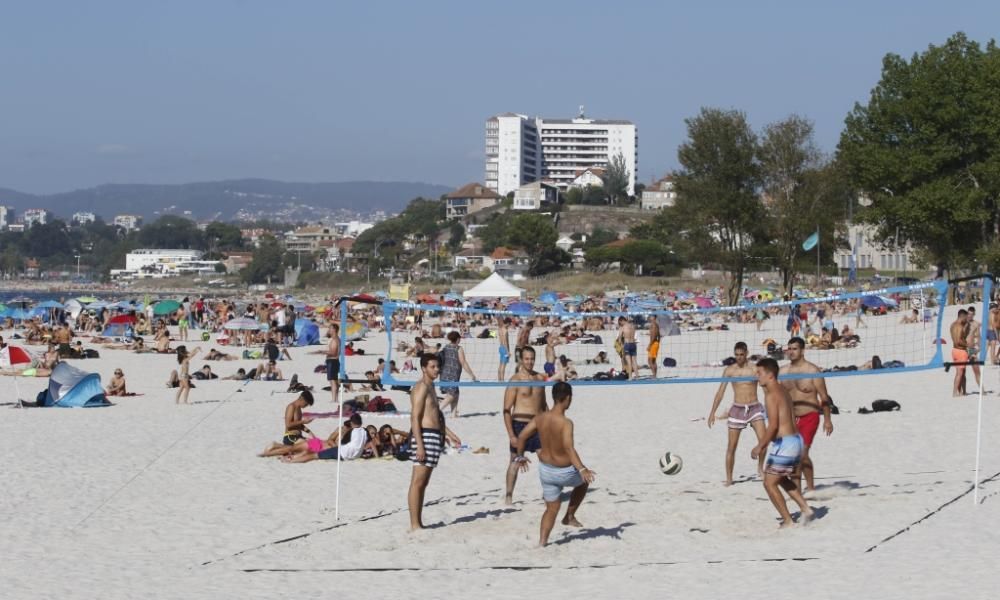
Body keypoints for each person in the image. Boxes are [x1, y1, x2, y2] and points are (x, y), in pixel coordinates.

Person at [514, 382, 595, 547]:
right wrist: (582, 469)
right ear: (568, 399)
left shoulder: (540, 418)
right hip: (564, 472)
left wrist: (519, 456)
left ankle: (542, 542)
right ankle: (569, 516)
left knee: (551, 509)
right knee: (584, 482)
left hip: (545, 470)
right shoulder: (566, 422)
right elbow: (568, 448)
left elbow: (521, 437)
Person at [751, 358, 813, 528]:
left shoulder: (771, 395)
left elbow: (773, 426)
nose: (757, 377)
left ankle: (787, 520)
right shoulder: (782, 390)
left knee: (769, 483)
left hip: (786, 444)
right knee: (781, 478)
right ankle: (805, 508)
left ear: (770, 375)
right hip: (794, 440)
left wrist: (760, 446)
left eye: (760, 373)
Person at [707, 342, 766, 485]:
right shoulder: (730, 370)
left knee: (763, 442)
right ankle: (729, 478)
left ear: (746, 353)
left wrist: (772, 407)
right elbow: (720, 392)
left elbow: (766, 388)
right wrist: (712, 412)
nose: (739, 357)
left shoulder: (755, 369)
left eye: (741, 354)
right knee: (731, 447)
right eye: (736, 355)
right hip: (738, 409)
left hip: (754, 408)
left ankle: (760, 468)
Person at [780, 337, 833, 492]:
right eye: (789, 348)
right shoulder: (782, 372)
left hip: (810, 415)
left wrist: (828, 420)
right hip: (790, 418)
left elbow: (824, 397)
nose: (791, 352)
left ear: (802, 350)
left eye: (794, 348)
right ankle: (797, 491)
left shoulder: (812, 371)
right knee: (793, 457)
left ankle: (810, 488)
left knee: (801, 454)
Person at [503, 346, 547, 504]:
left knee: (546, 460)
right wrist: (511, 435)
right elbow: (506, 410)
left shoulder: (540, 379)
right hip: (519, 424)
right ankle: (508, 496)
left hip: (537, 425)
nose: (530, 362)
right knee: (514, 461)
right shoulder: (515, 380)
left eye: (532, 359)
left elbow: (544, 405)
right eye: (527, 359)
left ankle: (547, 493)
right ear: (521, 360)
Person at [408, 354, 446, 531]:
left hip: (433, 435)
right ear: (424, 368)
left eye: (437, 366)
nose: (436, 369)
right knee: (417, 482)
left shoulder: (431, 386)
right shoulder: (421, 387)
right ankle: (414, 524)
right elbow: (415, 418)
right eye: (432, 367)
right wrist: (420, 444)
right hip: (424, 435)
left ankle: (418, 522)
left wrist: (447, 434)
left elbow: (434, 414)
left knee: (423, 483)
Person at [437, 330, 478, 418]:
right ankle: (437, 410)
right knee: (452, 394)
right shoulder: (458, 348)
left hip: (444, 373)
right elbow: (463, 363)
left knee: (456, 393)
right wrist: (472, 375)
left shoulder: (446, 347)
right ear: (458, 339)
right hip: (453, 375)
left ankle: (453, 414)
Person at [951, 309, 970, 397]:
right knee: (960, 373)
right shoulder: (959, 326)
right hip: (961, 351)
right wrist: (967, 345)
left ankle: (963, 391)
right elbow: (959, 341)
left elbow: (956, 340)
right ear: (962, 316)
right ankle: (955, 392)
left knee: (961, 372)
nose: (967, 320)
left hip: (954, 351)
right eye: (966, 318)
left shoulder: (952, 325)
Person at [965, 306, 983, 393]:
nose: (970, 316)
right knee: (961, 372)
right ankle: (962, 391)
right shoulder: (962, 322)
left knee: (977, 370)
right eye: (968, 314)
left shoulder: (976, 324)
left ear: (974, 314)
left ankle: (982, 390)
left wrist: (979, 347)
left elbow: (978, 337)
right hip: (963, 349)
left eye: (971, 314)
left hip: (972, 349)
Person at [326, 323, 341, 405]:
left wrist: (322, 352)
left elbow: (333, 352)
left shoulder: (335, 339)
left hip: (332, 361)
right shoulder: (336, 339)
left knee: (333, 381)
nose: (329, 330)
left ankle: (334, 399)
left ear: (334, 330)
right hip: (334, 361)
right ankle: (335, 398)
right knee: (334, 380)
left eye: (330, 328)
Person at [497, 316, 511, 381]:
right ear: (508, 323)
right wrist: (508, 351)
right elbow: (505, 341)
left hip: (500, 347)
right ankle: (502, 380)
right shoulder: (505, 330)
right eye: (509, 324)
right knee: (503, 365)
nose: (510, 325)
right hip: (505, 349)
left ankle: (499, 379)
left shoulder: (499, 329)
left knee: (500, 364)